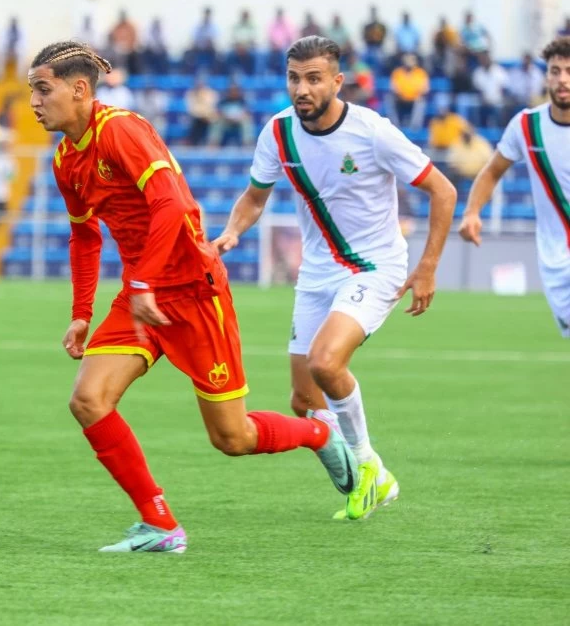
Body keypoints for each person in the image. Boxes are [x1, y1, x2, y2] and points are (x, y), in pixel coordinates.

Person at [28, 41, 358, 553]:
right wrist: (80, 314)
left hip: (192, 293)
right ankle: (160, 525)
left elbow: (172, 205)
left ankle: (318, 434)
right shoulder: (66, 158)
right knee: (88, 400)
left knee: (233, 438)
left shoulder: (121, 130)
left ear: (79, 89)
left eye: (42, 89)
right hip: (140, 299)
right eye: (32, 90)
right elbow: (85, 237)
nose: (33, 101)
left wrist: (143, 281)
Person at [213, 36, 457, 521]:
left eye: (313, 78)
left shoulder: (372, 132)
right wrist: (230, 232)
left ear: (337, 81)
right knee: (304, 400)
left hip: (376, 266)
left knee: (326, 363)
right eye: (294, 78)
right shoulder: (278, 133)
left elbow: (443, 190)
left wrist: (426, 267)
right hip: (318, 274)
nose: (301, 89)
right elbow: (255, 197)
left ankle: (367, 466)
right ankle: (374, 482)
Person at [460, 36, 570, 339]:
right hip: (556, 261)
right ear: (546, 76)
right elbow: (492, 171)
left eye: (569, 71)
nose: (563, 80)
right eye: (555, 71)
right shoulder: (526, 126)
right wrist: (472, 212)